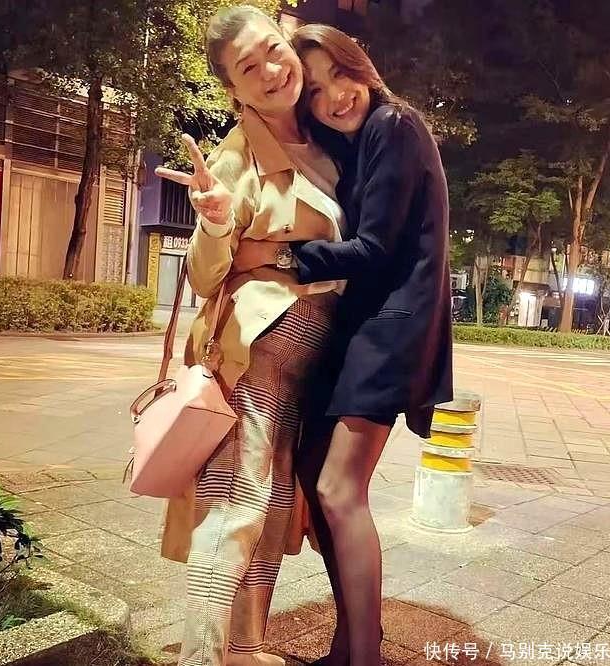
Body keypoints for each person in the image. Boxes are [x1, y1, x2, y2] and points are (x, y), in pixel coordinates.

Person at [234, 24, 453, 666]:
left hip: (393, 329)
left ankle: (364, 656)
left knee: (337, 488)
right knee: (313, 475)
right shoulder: (354, 146)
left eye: (343, 74)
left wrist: (280, 256)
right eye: (318, 90)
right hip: (363, 327)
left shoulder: (395, 125)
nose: (336, 96)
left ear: (364, 66)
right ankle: (353, 640)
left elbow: (376, 247)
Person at [155, 8, 347, 666]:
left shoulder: (324, 136)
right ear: (233, 88)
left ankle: (245, 647)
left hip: (307, 362)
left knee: (273, 508)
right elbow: (205, 277)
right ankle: (201, 658)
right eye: (248, 67)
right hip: (255, 351)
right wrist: (214, 222)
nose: (270, 69)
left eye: (272, 49)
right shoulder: (236, 155)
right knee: (239, 506)